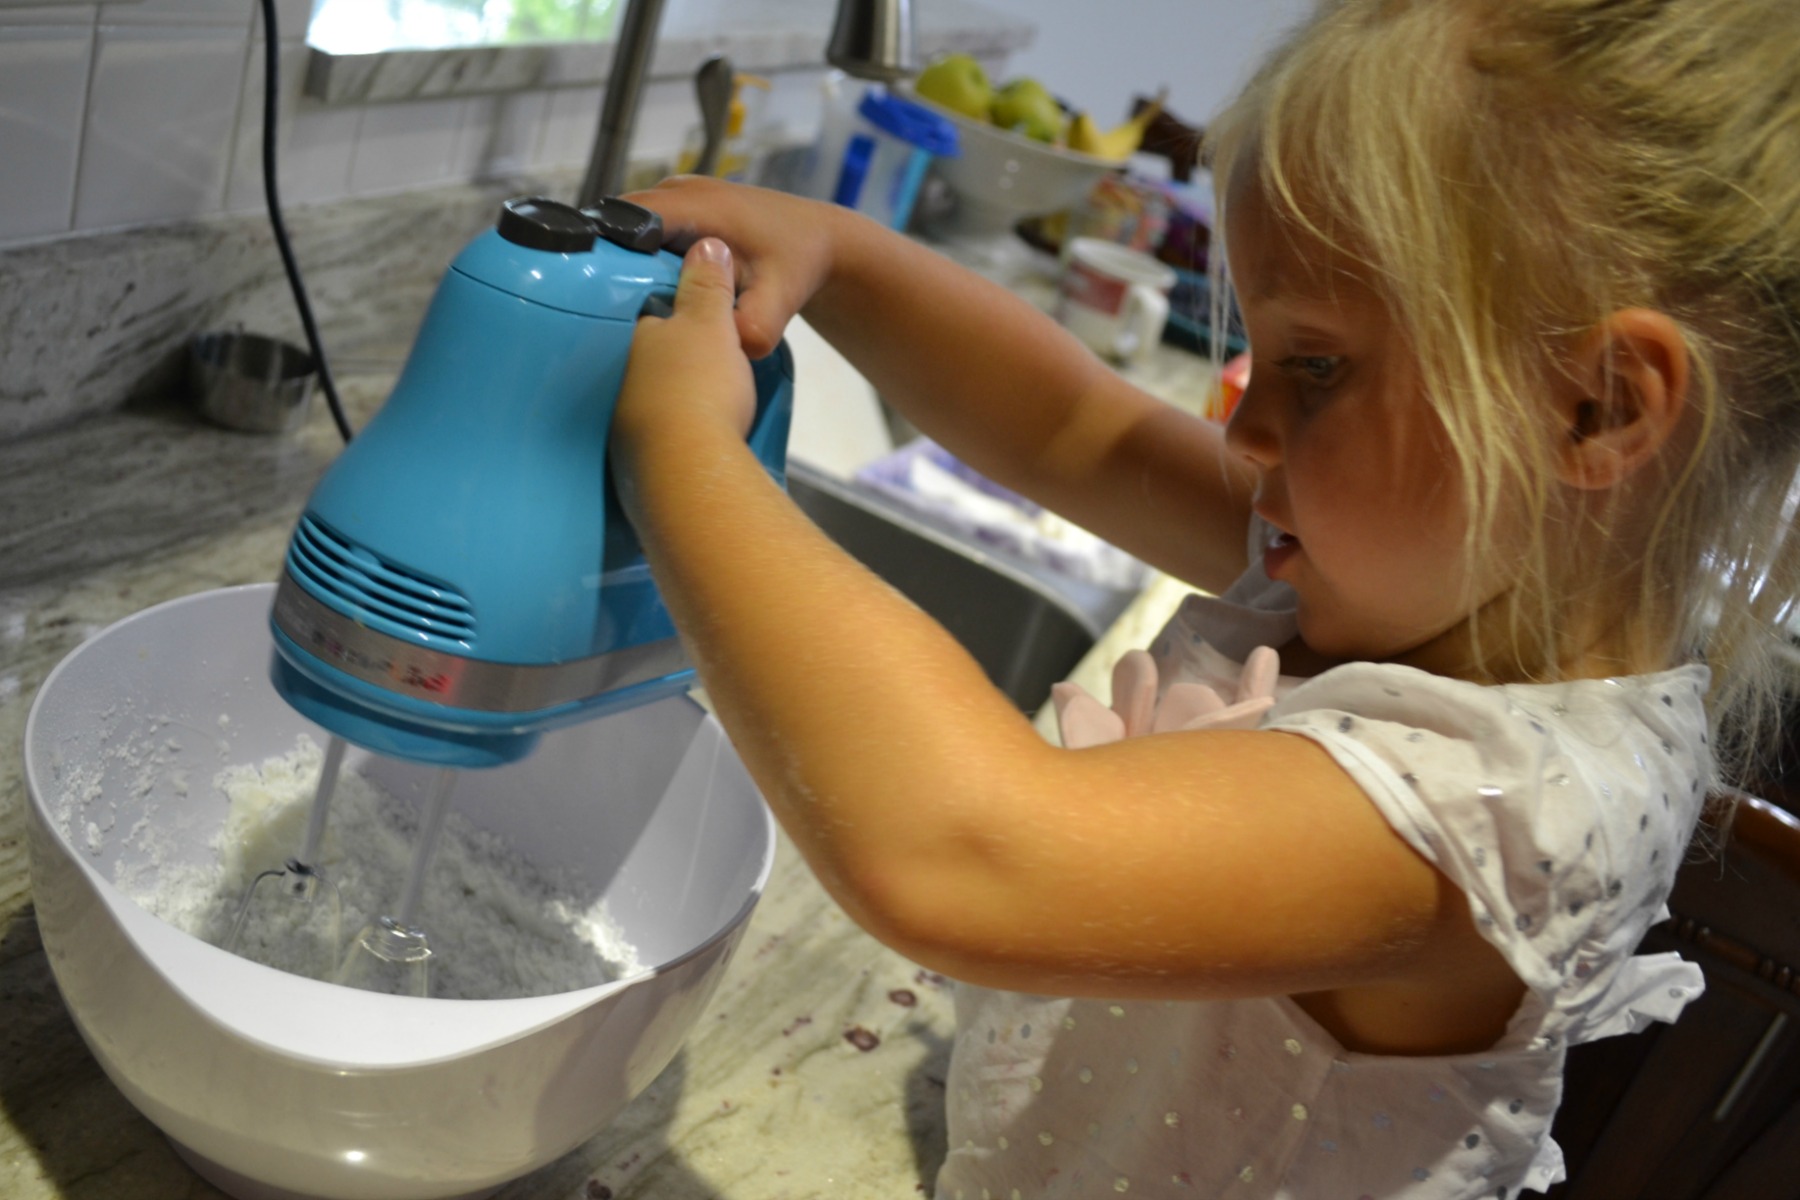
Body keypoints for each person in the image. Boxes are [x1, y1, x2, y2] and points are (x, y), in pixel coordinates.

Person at [609, 0, 1800, 1194]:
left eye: (1318, 365)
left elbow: (956, 852)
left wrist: (681, 451)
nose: (1250, 425)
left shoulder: (1508, 818)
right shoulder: (1426, 566)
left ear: (1595, 409)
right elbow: (1075, 429)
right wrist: (840, 257)